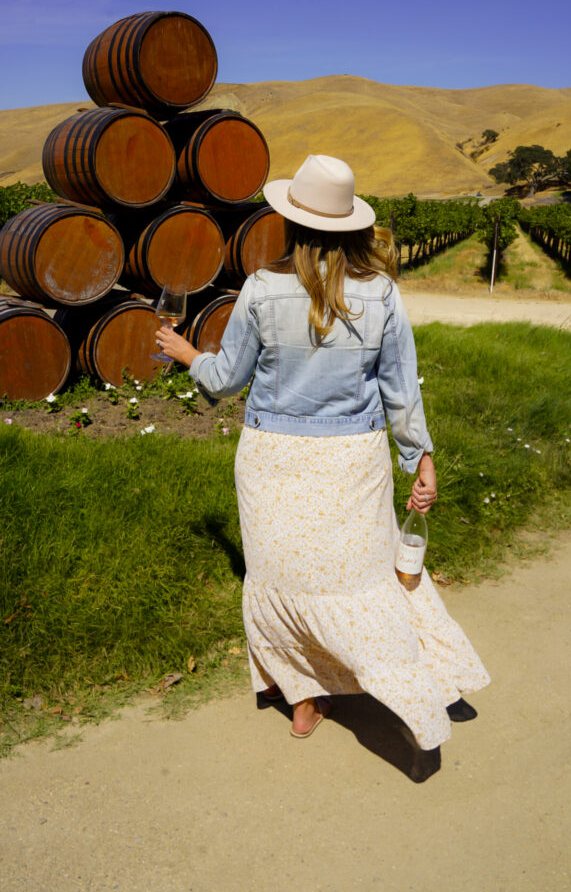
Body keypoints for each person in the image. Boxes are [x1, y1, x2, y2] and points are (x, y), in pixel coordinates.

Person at [156, 153, 490, 749]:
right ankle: (411, 683)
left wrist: (187, 355)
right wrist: (421, 460)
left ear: (290, 221)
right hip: (351, 463)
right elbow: (401, 390)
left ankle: (303, 698)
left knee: (281, 579)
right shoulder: (381, 293)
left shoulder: (261, 287)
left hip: (273, 460)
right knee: (361, 580)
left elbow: (226, 380)